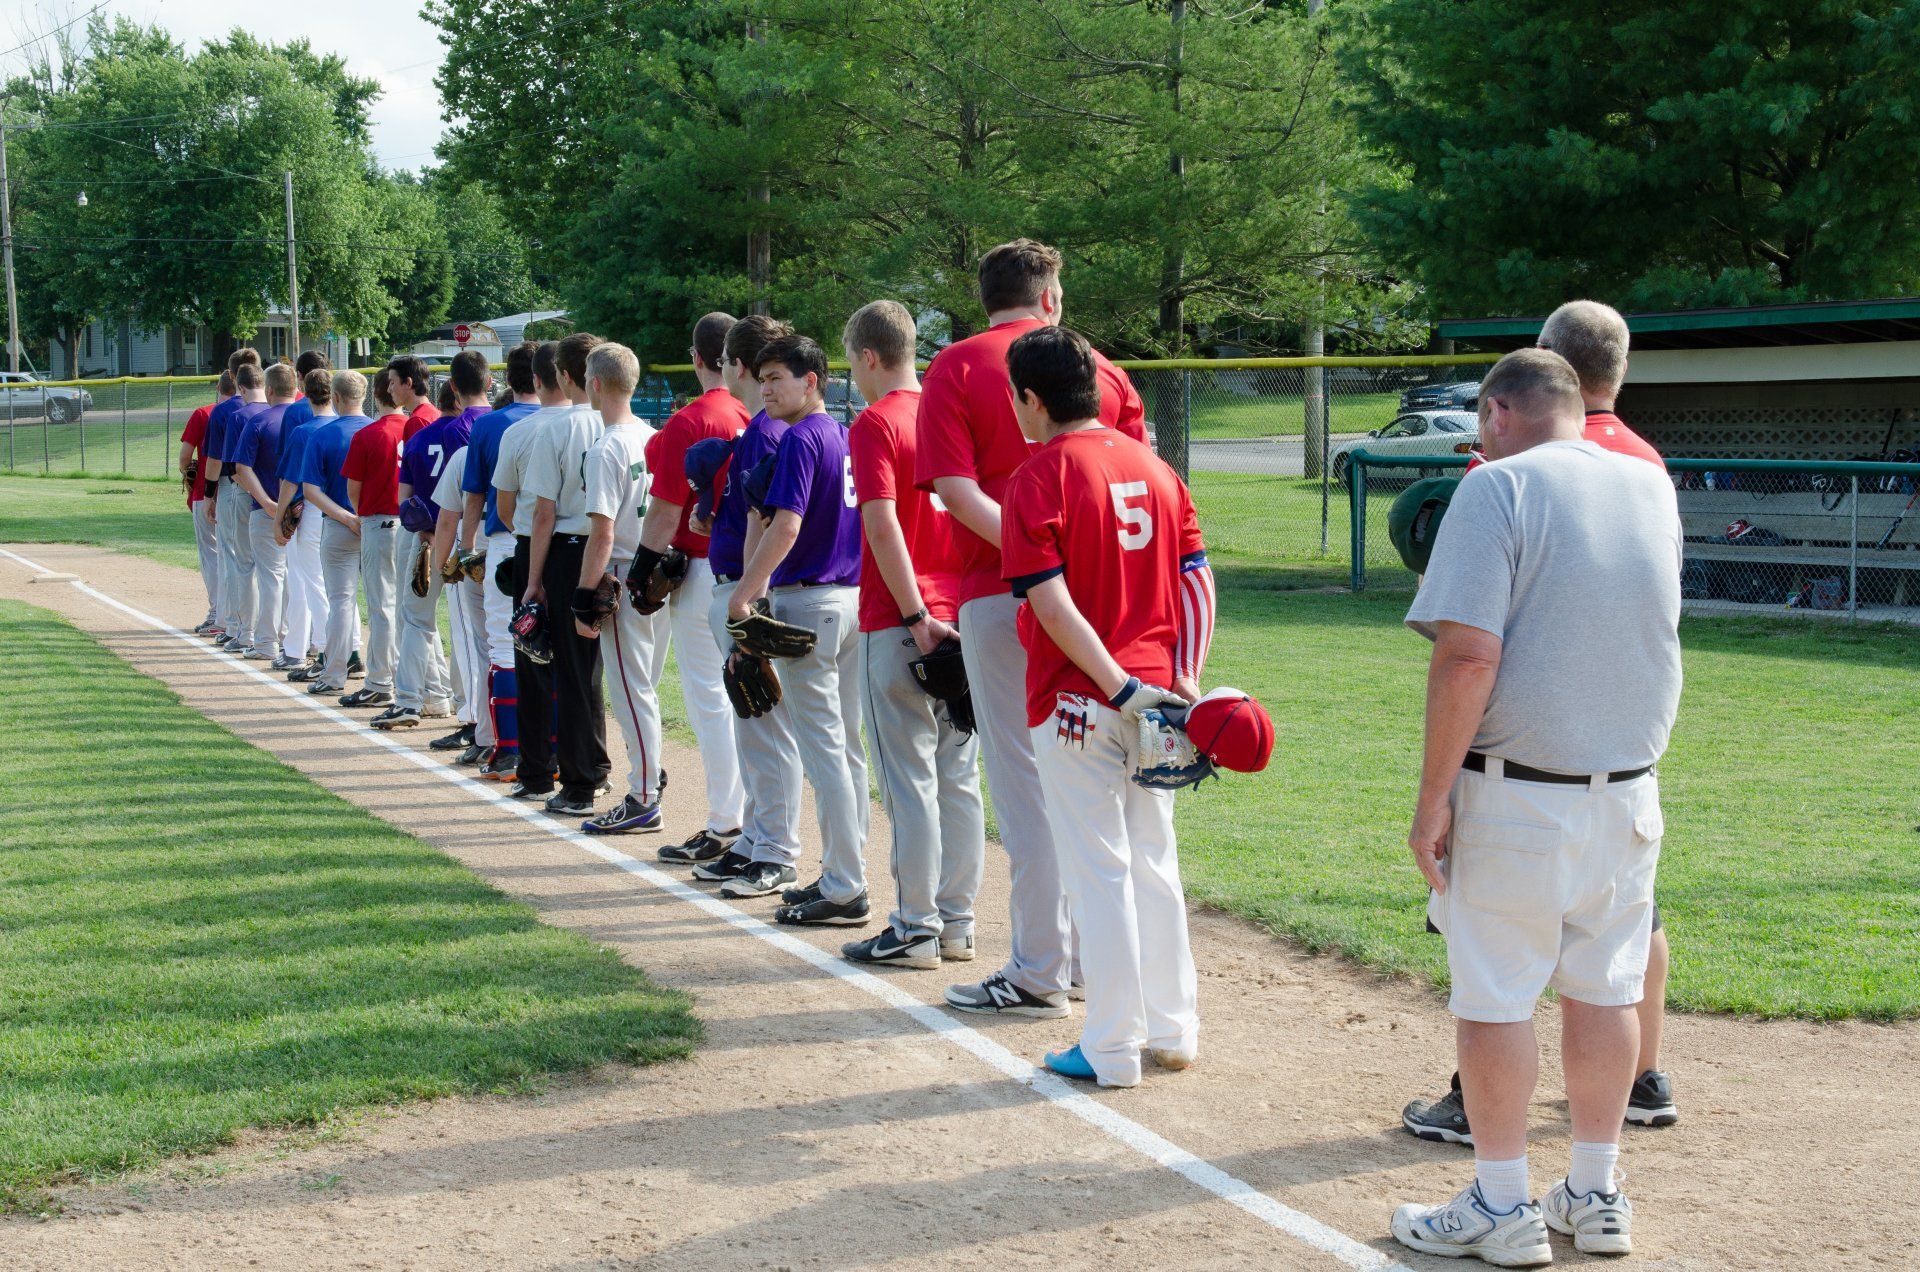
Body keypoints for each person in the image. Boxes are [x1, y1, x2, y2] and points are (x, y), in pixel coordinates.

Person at [1389, 349, 1681, 1266]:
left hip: (1518, 791)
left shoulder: (1497, 485)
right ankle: (1594, 1193)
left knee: (1494, 998)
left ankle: (1502, 1201)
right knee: (1604, 990)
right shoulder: (1649, 484)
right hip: (1629, 792)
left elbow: (1468, 655)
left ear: (1499, 412)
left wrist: (1432, 798)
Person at [915, 238, 1148, 1018]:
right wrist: (1067, 570)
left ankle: (1040, 967)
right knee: (1096, 785)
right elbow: (1133, 480)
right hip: (1101, 607)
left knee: (1024, 786)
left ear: (987, 298)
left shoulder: (954, 364)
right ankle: (1089, 960)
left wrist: (1029, 558)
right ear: (1050, 297)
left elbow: (951, 489)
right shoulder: (1099, 367)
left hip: (996, 592)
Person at [996, 325, 1214, 1087]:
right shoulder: (1155, 465)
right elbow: (1196, 578)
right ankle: (1174, 1028)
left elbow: (1050, 602)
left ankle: (1113, 1046)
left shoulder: (1039, 474)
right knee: (1154, 862)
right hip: (1158, 698)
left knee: (1100, 871)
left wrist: (1116, 682)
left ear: (1032, 397)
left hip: (1079, 700)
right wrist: (1182, 671)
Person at [837, 301, 983, 967]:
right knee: (959, 776)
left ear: (870, 357)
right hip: (968, 616)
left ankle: (916, 926)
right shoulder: (956, 415)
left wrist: (914, 612)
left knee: (909, 782)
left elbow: (881, 522)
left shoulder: (876, 421)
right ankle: (957, 924)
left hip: (904, 621)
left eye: (853, 362)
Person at [726, 334, 869, 912]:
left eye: (777, 377)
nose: (765, 388)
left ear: (812, 381)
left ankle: (843, 883)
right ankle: (849, 866)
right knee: (848, 746)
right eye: (761, 377)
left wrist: (744, 596)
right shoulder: (842, 434)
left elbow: (785, 526)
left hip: (809, 603)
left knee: (826, 751)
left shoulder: (803, 438)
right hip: (851, 600)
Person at [691, 315, 803, 890]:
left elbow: (778, 521)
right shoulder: (760, 428)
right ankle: (759, 837)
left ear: (739, 365)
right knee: (752, 719)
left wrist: (747, 598)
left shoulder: (768, 430)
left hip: (748, 589)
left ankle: (776, 848)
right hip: (743, 582)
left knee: (765, 724)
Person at [637, 313, 749, 864]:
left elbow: (664, 511)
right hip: (755, 569)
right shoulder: (757, 408)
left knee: (712, 699)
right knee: (751, 700)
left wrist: (641, 570)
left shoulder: (692, 419)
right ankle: (753, 823)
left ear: (697, 357)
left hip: (704, 568)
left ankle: (728, 822)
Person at [573, 342, 666, 832]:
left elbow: (602, 532)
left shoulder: (607, 446)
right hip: (660, 574)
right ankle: (650, 775)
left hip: (627, 572)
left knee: (631, 690)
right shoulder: (653, 435)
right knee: (644, 687)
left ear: (595, 384)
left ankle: (644, 795)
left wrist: (584, 599)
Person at [522, 331, 610, 815]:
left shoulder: (555, 429)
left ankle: (580, 782)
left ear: (564, 375)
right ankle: (604, 765)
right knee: (608, 671)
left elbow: (543, 512)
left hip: (571, 548)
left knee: (573, 671)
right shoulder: (628, 425)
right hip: (620, 551)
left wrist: (533, 580)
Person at [378, 350, 487, 731]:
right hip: (476, 536)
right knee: (467, 627)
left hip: (430, 536)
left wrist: (426, 530)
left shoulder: (421, 436)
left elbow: (404, 501)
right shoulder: (480, 429)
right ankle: (461, 704)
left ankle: (409, 700)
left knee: (417, 619)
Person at [492, 342, 572, 798]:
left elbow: (506, 508)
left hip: (533, 547)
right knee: (581, 667)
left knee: (532, 654)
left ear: (540, 380)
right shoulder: (597, 423)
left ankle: (538, 769)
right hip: (586, 550)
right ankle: (581, 763)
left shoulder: (520, 431)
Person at [462, 342, 543, 780]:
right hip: (567, 544)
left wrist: (464, 548)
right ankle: (553, 750)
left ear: (508, 379)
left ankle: (510, 749)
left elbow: (474, 495)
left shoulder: (493, 425)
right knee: (554, 648)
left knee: (503, 644)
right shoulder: (580, 422)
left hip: (508, 541)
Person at [298, 370, 373, 697]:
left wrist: (343, 516)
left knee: (341, 601)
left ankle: (335, 674)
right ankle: (386, 678)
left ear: (336, 398)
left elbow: (310, 490)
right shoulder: (377, 430)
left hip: (338, 525)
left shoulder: (324, 435)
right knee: (382, 604)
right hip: (378, 524)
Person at [339, 370, 410, 710]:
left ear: (378, 396)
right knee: (411, 609)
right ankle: (414, 683)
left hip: (380, 522)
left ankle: (381, 682)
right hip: (413, 526)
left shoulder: (370, 434)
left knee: (382, 606)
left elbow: (353, 490)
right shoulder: (417, 426)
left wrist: (363, 517)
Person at [278, 365, 335, 680]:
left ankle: (323, 649)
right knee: (339, 588)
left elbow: (289, 481)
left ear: (304, 389)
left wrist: (278, 517)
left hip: (312, 511)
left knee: (309, 582)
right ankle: (347, 650)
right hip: (345, 513)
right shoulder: (349, 426)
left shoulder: (305, 430)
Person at [208, 351, 267, 653]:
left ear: (236, 382)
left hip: (242, 491)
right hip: (278, 495)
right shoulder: (279, 411)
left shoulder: (234, 415)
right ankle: (276, 635)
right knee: (273, 571)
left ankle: (242, 630)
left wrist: (209, 495)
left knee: (240, 562)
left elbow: (228, 466)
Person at [227, 364, 284, 662]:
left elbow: (237, 469)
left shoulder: (252, 419)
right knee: (296, 577)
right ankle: (297, 641)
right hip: (306, 511)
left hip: (263, 507)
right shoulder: (304, 416)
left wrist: (264, 500)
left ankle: (259, 639)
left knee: (261, 572)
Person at [179, 373, 232, 636]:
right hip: (241, 494)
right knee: (240, 557)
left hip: (206, 492)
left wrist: (189, 475)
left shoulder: (204, 413)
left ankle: (217, 614)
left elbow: (185, 457)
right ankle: (238, 617)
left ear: (217, 388)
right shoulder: (252, 411)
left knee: (211, 555)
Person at [387, 355, 441, 439]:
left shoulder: (417, 421)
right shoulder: (436, 414)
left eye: (392, 382)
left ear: (408, 383)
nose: (388, 390)